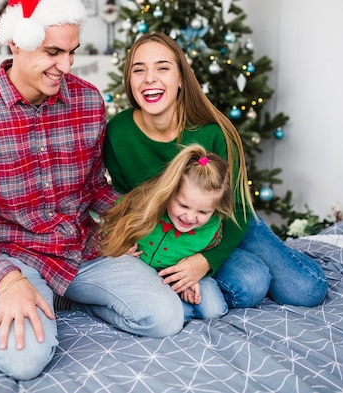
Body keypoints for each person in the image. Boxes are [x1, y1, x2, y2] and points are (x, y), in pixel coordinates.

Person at [0, 0, 182, 381]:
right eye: (52, 52)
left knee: (165, 317)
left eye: (71, 52)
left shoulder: (87, 100)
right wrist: (8, 280)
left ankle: (68, 299)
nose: (66, 66)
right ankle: (37, 293)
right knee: (24, 362)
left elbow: (93, 188)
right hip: (18, 258)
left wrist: (134, 219)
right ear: (16, 42)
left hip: (82, 249)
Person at [103, 32, 328, 310]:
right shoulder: (118, 133)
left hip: (228, 220)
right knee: (250, 283)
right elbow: (123, 199)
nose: (149, 78)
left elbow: (239, 208)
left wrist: (205, 262)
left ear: (181, 79)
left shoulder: (213, 132)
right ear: (130, 80)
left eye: (162, 67)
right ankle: (246, 263)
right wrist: (121, 240)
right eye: (139, 70)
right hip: (171, 233)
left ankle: (259, 254)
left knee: (307, 290)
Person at [102, 144, 233, 321]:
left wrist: (191, 279)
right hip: (141, 271)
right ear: (170, 191)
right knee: (176, 313)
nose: (190, 217)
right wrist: (119, 245)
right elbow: (112, 222)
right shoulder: (143, 203)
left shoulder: (212, 228)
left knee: (213, 310)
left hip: (182, 273)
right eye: (183, 205)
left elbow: (207, 255)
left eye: (203, 212)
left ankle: (181, 302)